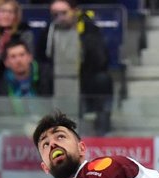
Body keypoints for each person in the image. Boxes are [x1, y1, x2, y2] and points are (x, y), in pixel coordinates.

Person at [38, 0, 113, 135]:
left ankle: (101, 128)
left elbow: (101, 59)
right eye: (55, 14)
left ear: (74, 10)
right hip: (56, 79)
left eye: (63, 13)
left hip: (84, 78)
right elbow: (42, 59)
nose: (59, 18)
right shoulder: (48, 32)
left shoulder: (89, 29)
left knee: (103, 80)